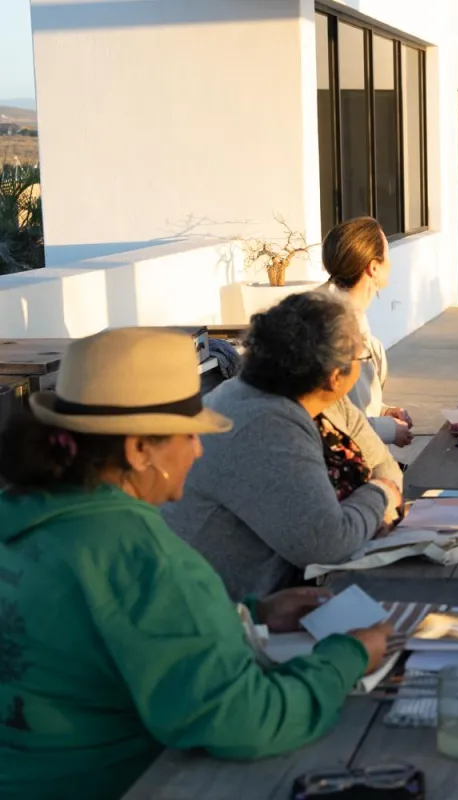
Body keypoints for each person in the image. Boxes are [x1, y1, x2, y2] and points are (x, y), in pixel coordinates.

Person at [0, 328, 401, 800]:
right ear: (139, 450)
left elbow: (108, 633)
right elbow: (246, 720)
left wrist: (248, 617)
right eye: (189, 434)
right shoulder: (145, 559)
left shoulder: (29, 517)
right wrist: (347, 656)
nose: (197, 449)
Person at [164, 291, 403, 598]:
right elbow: (327, 544)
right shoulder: (262, 423)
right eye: (360, 358)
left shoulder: (326, 403)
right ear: (334, 376)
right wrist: (380, 497)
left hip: (296, 589)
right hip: (232, 609)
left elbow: (386, 467)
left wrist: (367, 514)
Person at [320, 216, 414, 450]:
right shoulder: (336, 330)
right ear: (373, 267)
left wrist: (384, 412)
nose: (390, 263)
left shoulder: (339, 313)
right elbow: (330, 424)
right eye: (387, 255)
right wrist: (389, 429)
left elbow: (350, 405)